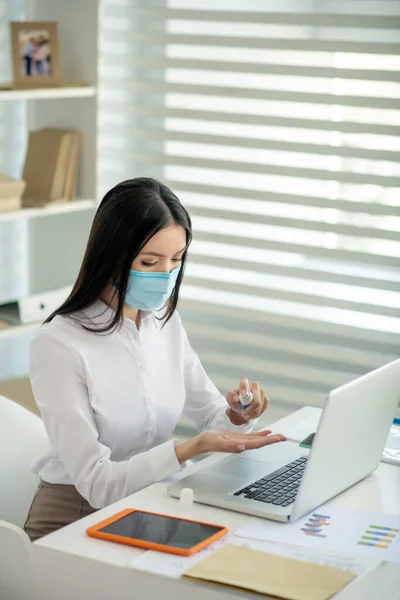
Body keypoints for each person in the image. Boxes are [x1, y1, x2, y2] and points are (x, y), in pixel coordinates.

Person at [24, 178, 286, 541]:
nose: (165, 274)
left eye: (176, 260)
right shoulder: (59, 344)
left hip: (150, 501)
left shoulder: (165, 323)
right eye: (150, 261)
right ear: (112, 255)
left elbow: (211, 415)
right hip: (76, 515)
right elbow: (97, 484)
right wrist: (189, 448)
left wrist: (239, 412)